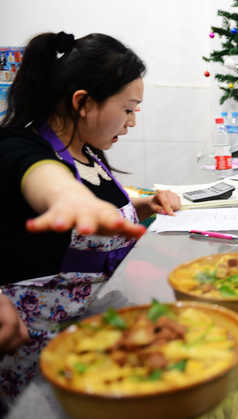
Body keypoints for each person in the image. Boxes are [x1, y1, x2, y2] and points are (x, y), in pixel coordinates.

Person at [0, 31, 180, 401]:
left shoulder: (88, 152)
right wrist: (70, 198)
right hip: (36, 355)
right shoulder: (18, 146)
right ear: (83, 102)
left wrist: (141, 205)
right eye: (128, 109)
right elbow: (45, 177)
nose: (131, 122)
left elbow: (98, 196)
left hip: (92, 331)